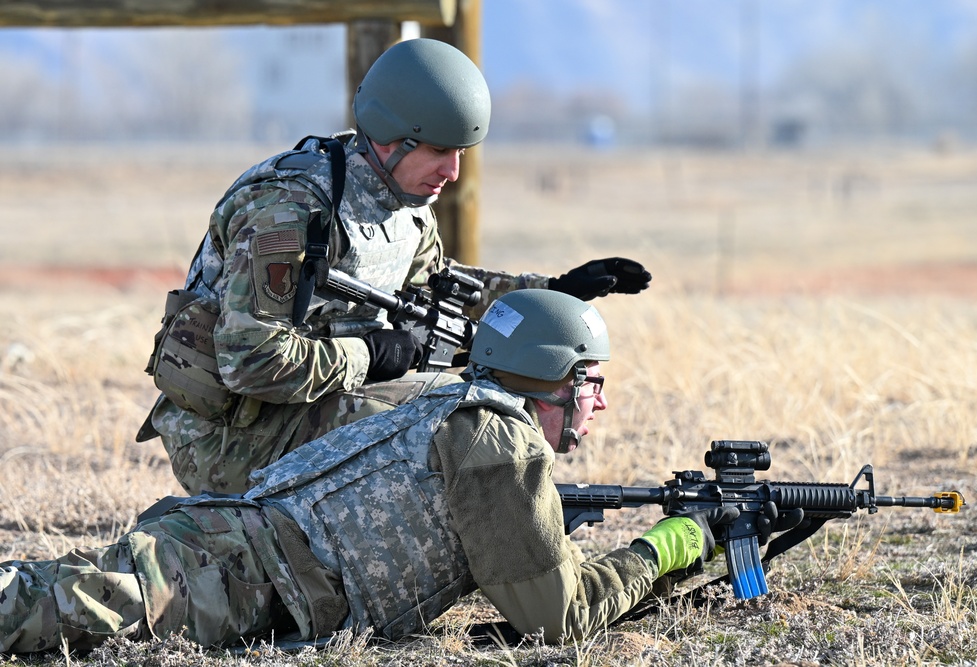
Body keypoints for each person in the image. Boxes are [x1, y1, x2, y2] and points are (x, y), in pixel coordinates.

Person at [0, 289, 781, 653]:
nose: (600, 404)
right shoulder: (497, 442)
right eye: (592, 382)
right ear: (553, 380)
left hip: (222, 544)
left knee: (49, 596)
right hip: (227, 576)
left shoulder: (450, 401)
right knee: (37, 607)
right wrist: (672, 546)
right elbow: (557, 619)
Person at [138, 37, 652, 496]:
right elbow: (250, 362)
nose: (452, 172)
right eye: (439, 151)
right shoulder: (289, 210)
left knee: (481, 399)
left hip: (304, 406)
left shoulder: (400, 198)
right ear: (391, 137)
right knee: (454, 416)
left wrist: (552, 291)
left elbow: (438, 289)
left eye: (461, 154)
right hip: (230, 439)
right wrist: (370, 355)